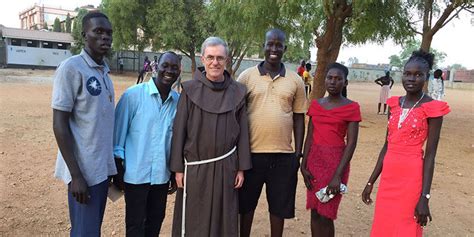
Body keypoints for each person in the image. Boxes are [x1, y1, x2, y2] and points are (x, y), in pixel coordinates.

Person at [362, 50, 450, 236]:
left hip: (411, 178)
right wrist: (371, 182)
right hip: (388, 177)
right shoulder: (394, 104)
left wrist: (424, 197)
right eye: (407, 73)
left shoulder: (433, 108)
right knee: (384, 224)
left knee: (405, 227)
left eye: (418, 75)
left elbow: (431, 155)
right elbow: (386, 146)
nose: (412, 78)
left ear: (426, 77)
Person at [170, 37, 252, 237]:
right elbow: (179, 130)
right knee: (194, 220)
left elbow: (242, 133)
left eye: (220, 58)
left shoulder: (238, 92)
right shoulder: (189, 91)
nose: (215, 62)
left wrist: (241, 168)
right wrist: (178, 169)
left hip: (227, 167)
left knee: (223, 220)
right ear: (202, 58)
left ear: (226, 60)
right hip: (196, 168)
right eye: (210, 57)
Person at [51, 11, 116, 236]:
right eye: (98, 31)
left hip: (100, 171)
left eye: (108, 33)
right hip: (83, 174)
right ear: (84, 35)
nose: (105, 37)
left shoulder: (104, 72)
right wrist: (76, 176)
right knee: (84, 232)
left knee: (90, 230)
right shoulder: (71, 68)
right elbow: (59, 124)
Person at [238, 28, 307, 237]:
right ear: (264, 46)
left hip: (283, 156)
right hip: (250, 154)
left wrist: (298, 153)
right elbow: (237, 115)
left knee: (279, 207)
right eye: (270, 44)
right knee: (245, 206)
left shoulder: (295, 80)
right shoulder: (246, 77)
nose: (274, 49)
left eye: (279, 45)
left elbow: (298, 117)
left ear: (285, 48)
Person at [113, 51, 181, 236]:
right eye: (165, 66)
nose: (169, 71)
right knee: (135, 226)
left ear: (180, 71)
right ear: (156, 66)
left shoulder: (179, 102)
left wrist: (174, 171)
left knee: (155, 222)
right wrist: (118, 169)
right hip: (135, 176)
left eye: (174, 67)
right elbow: (118, 134)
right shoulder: (133, 96)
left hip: (161, 176)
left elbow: (176, 141)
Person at [300, 62, 361, 237]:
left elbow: (351, 143)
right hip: (314, 161)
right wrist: (303, 165)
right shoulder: (316, 105)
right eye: (330, 78)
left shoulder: (351, 107)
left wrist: (337, 176)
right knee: (314, 210)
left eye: (338, 78)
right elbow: (310, 136)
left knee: (326, 214)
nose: (333, 82)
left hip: (336, 164)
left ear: (345, 82)